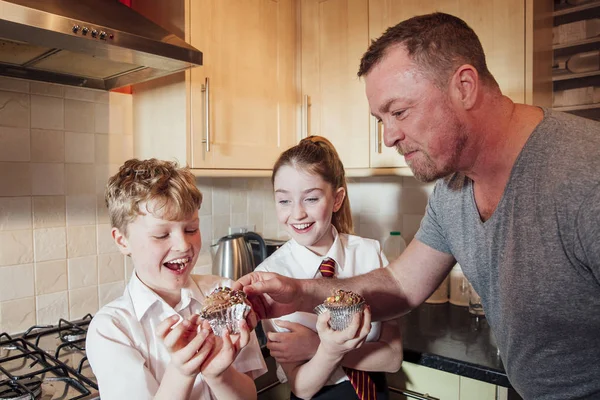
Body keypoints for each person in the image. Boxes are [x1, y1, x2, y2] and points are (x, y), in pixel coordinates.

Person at [235, 12, 600, 400]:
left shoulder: (583, 174)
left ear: (464, 86)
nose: (389, 136)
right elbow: (400, 286)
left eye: (399, 111)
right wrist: (298, 290)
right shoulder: (453, 190)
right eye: (380, 119)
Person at [86, 158, 267, 400]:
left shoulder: (223, 293)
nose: (183, 245)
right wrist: (182, 372)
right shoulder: (112, 329)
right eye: (161, 235)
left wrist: (218, 375)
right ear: (122, 240)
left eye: (191, 229)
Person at [255, 136, 402, 399]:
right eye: (284, 201)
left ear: (337, 199)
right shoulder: (272, 278)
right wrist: (336, 351)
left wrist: (316, 347)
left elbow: (391, 359)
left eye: (310, 199)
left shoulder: (370, 254)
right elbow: (302, 386)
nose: (297, 214)